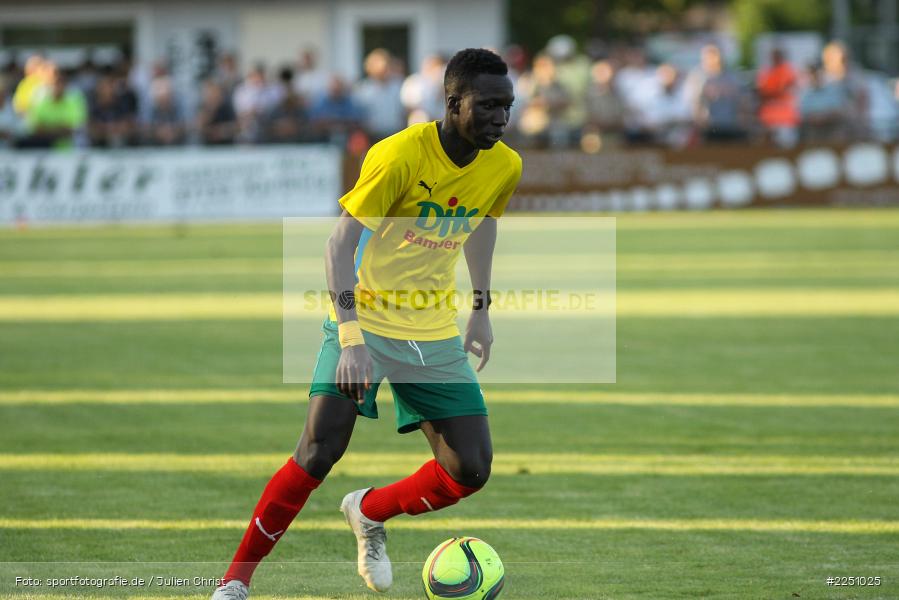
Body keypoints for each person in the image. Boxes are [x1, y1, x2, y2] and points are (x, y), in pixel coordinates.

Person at [211, 47, 522, 600]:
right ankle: (235, 582)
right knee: (318, 449)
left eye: (508, 107)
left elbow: (481, 226)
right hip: (364, 317)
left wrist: (481, 308)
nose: (501, 118)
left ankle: (368, 511)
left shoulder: (505, 164)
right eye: (489, 106)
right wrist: (351, 338)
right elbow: (338, 246)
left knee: (469, 469)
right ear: (453, 103)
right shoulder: (399, 155)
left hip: (429, 329)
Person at [756, 48, 799, 147]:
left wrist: (770, 92)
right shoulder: (767, 72)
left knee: (785, 147)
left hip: (785, 118)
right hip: (768, 118)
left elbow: (782, 89)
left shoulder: (788, 71)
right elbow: (761, 92)